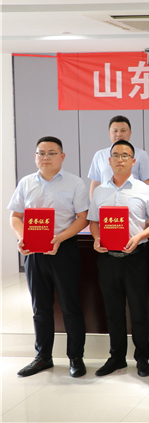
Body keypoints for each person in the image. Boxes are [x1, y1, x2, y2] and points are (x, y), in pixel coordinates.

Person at [8, 136, 89, 378]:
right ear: (35, 157)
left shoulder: (75, 183)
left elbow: (83, 218)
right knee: (40, 308)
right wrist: (22, 238)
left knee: (70, 306)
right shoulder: (26, 183)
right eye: (41, 153)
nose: (46, 157)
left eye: (51, 153)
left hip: (63, 250)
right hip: (34, 252)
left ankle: (76, 358)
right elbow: (15, 217)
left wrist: (60, 238)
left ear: (62, 156)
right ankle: (43, 357)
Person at [87, 140, 149, 378]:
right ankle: (117, 357)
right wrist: (97, 238)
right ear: (109, 161)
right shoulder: (100, 191)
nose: (120, 159)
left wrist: (138, 237)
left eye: (125, 156)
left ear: (133, 161)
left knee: (138, 310)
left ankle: (142, 358)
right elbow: (94, 222)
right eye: (115, 155)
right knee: (113, 310)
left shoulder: (145, 190)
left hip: (135, 258)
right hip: (107, 259)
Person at [88, 115, 149, 200]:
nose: (119, 134)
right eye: (115, 131)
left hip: (131, 202)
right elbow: (95, 184)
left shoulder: (141, 155)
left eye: (123, 130)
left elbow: (147, 183)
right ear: (109, 133)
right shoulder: (100, 155)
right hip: (105, 202)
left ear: (130, 133)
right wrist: (93, 204)